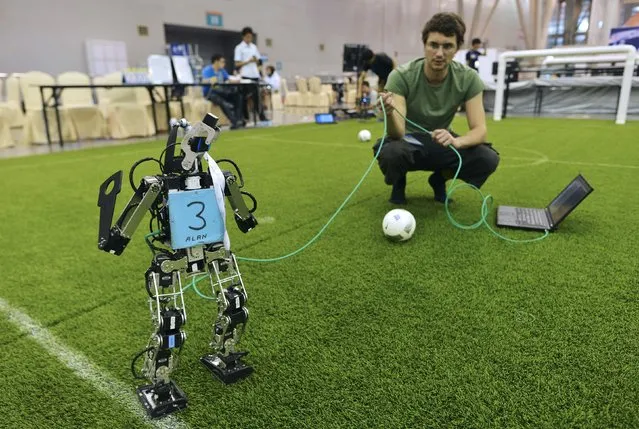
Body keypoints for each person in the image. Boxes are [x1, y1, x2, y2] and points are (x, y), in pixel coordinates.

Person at [375, 12, 499, 205]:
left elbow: (480, 130)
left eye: (447, 46)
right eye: (433, 45)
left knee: (487, 158)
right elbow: (397, 132)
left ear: (457, 48)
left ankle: (439, 179)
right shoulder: (400, 76)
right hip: (407, 141)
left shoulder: (468, 78)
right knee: (392, 153)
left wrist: (457, 142)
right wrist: (390, 113)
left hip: (443, 141)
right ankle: (399, 182)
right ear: (424, 45)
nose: (439, 53)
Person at [234, 26, 268, 122]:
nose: (249, 39)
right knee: (244, 98)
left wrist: (256, 60)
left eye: (251, 37)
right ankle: (245, 118)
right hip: (245, 75)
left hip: (255, 75)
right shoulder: (239, 48)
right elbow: (237, 63)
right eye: (248, 37)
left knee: (257, 97)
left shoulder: (254, 47)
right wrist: (248, 61)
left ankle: (262, 117)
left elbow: (259, 61)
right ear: (243, 37)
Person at [201, 54, 243, 129]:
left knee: (238, 96)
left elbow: (228, 79)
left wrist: (236, 80)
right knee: (223, 102)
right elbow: (203, 80)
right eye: (222, 61)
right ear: (216, 61)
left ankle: (239, 119)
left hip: (221, 92)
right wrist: (210, 80)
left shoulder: (222, 70)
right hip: (211, 93)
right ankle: (234, 122)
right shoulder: (207, 70)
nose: (224, 63)